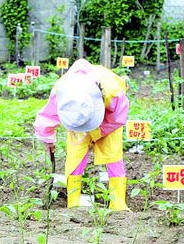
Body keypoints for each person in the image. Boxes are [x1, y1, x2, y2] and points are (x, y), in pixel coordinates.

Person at [34, 58, 130, 210]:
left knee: (113, 154)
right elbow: (47, 115)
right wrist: (47, 138)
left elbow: (119, 117)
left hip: (109, 121)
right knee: (75, 156)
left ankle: (118, 203)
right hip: (77, 123)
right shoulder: (61, 89)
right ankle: (73, 201)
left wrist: (99, 132)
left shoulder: (113, 91)